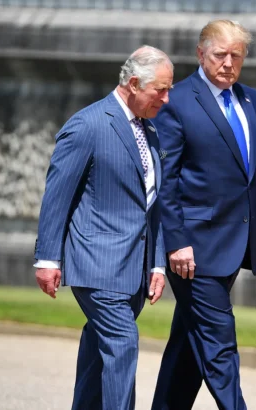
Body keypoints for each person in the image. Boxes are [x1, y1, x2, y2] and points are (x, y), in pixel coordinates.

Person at [150, 20, 256, 410]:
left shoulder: (253, 102)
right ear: (200, 54)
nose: (228, 63)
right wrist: (176, 242)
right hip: (193, 251)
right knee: (219, 344)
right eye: (219, 55)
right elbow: (166, 180)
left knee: (189, 345)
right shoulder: (176, 101)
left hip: (236, 243)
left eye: (236, 56)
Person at [33, 45, 174, 410]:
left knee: (99, 351)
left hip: (134, 269)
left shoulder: (150, 130)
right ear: (133, 84)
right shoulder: (88, 124)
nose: (166, 98)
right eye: (160, 89)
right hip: (97, 264)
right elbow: (57, 196)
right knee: (123, 344)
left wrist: (157, 263)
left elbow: (152, 203)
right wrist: (47, 258)